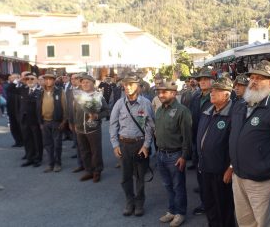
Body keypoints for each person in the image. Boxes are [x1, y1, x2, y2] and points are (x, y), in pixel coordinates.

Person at [229, 60, 270, 227]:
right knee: (244, 222)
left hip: (262, 183)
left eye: (260, 78)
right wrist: (231, 167)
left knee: (264, 223)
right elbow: (235, 140)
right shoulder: (240, 106)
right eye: (252, 77)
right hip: (239, 178)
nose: (254, 81)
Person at [109, 74, 155, 217]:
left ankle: (139, 202)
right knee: (125, 177)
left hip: (140, 144)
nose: (128, 87)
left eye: (131, 84)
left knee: (140, 176)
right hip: (124, 145)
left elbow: (150, 126)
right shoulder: (119, 104)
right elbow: (113, 125)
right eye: (126, 84)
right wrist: (115, 145)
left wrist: (146, 145)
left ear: (138, 87)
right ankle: (130, 201)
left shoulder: (146, 103)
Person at [197, 77, 236, 227]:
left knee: (224, 208)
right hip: (205, 168)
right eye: (212, 90)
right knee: (210, 205)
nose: (212, 93)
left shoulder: (233, 114)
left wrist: (230, 168)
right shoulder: (207, 111)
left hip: (221, 171)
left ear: (226, 95)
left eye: (217, 90)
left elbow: (236, 145)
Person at [155, 79, 192, 227]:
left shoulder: (183, 111)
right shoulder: (159, 110)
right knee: (167, 185)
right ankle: (171, 210)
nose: (160, 94)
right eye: (159, 92)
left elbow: (187, 137)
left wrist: (184, 156)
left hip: (175, 155)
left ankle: (180, 213)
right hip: (161, 154)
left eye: (164, 92)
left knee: (178, 186)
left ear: (174, 93)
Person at [73, 74, 109, 182]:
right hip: (80, 128)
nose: (85, 84)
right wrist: (74, 123)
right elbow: (75, 111)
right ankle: (89, 171)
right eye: (83, 82)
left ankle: (97, 171)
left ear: (93, 83)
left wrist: (97, 116)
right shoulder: (78, 96)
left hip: (93, 128)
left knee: (95, 151)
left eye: (87, 82)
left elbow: (107, 111)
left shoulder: (98, 96)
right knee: (84, 151)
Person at [189, 67, 215, 215]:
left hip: (210, 142)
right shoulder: (195, 97)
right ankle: (205, 201)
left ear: (212, 81)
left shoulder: (216, 97)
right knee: (199, 172)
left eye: (206, 79)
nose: (203, 82)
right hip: (196, 140)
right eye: (200, 80)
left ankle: (210, 203)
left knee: (211, 174)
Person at [37, 73, 67, 173]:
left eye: (50, 79)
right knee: (47, 144)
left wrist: (64, 121)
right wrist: (40, 122)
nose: (48, 81)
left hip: (56, 122)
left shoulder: (60, 91)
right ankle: (51, 163)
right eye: (46, 79)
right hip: (45, 122)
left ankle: (58, 163)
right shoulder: (41, 92)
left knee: (57, 144)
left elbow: (65, 107)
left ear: (54, 81)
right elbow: (38, 108)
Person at [18, 73, 43, 167]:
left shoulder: (40, 91)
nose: (29, 81)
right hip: (24, 119)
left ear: (37, 80)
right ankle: (29, 158)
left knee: (37, 140)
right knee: (27, 139)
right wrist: (22, 79)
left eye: (32, 79)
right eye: (27, 79)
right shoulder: (23, 89)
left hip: (35, 120)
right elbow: (11, 88)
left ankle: (37, 158)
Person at [66, 73, 84, 173]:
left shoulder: (84, 90)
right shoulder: (69, 91)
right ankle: (80, 163)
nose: (73, 80)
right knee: (77, 143)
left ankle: (87, 165)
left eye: (76, 78)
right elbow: (69, 107)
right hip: (72, 121)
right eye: (72, 79)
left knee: (84, 145)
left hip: (81, 122)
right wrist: (69, 121)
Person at [6, 74, 23, 148]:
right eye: (10, 78)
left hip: (19, 110)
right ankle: (18, 141)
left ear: (17, 78)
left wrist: (18, 81)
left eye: (13, 78)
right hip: (11, 109)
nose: (11, 79)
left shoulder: (21, 85)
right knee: (13, 127)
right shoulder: (10, 86)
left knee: (20, 126)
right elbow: (9, 88)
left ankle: (23, 141)